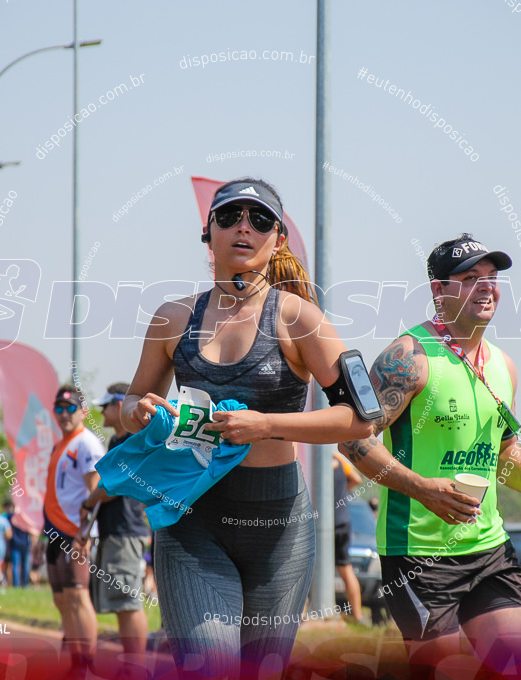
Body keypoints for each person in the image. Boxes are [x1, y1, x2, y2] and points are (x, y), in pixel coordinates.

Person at [122, 177, 373, 678]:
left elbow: (359, 420)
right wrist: (138, 412)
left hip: (279, 528)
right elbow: (132, 400)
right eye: (230, 216)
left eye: (260, 220)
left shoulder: (301, 318)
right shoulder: (173, 318)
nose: (244, 227)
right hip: (191, 517)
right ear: (207, 232)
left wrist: (267, 425)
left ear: (278, 239)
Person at [340, 233, 521, 676]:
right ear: (438, 291)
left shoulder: (503, 365)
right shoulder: (409, 357)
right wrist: (423, 490)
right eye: (470, 278)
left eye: (492, 277)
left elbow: (504, 450)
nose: (487, 286)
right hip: (418, 554)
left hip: (489, 549)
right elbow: (353, 441)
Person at [83, 383, 150, 680]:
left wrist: (90, 499)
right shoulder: (115, 440)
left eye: (105, 405)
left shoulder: (132, 440)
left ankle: (136, 667)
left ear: (120, 404)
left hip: (126, 531)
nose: (101, 411)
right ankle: (130, 665)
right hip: (116, 531)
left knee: (129, 603)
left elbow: (113, 486)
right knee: (123, 603)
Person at [44, 385, 106, 677]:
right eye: (59, 408)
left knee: (79, 596)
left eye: (70, 408)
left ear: (83, 412)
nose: (64, 413)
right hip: (55, 533)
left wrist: (85, 534)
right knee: (61, 598)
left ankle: (87, 664)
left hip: (76, 533)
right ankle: (75, 657)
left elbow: (96, 492)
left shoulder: (86, 443)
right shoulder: (61, 444)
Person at [333, 450, 365, 624]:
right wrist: (341, 493)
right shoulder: (339, 459)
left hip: (322, 523)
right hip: (342, 519)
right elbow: (357, 479)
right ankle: (359, 617)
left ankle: (303, 615)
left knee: (308, 570)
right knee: (346, 567)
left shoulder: (310, 463)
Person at [4, 500, 31, 588]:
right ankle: (25, 585)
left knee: (15, 565)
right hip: (25, 543)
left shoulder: (10, 517)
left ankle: (16, 585)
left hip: (14, 544)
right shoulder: (25, 516)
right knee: (24, 565)